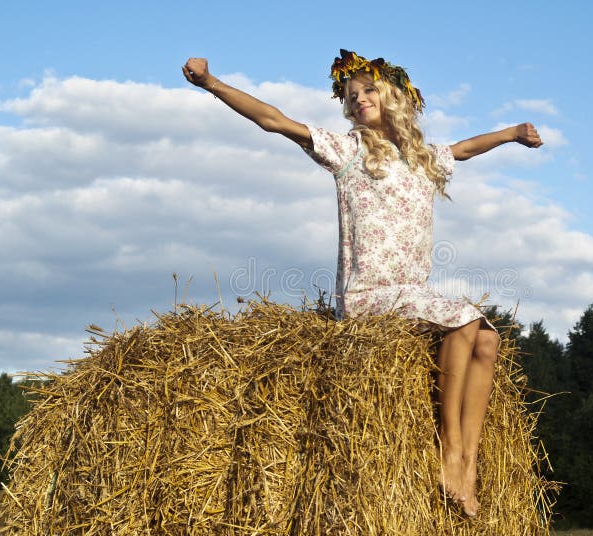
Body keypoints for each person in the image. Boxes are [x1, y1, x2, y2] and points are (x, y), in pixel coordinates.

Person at [182, 50, 542, 517]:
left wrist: (512, 134)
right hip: (369, 295)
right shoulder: (347, 150)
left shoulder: (422, 159)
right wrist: (212, 82)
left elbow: (466, 148)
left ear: (394, 96)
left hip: (412, 296)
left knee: (488, 341)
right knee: (464, 321)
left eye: (369, 89)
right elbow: (273, 120)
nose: (358, 99)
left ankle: (469, 464)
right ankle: (449, 452)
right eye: (352, 96)